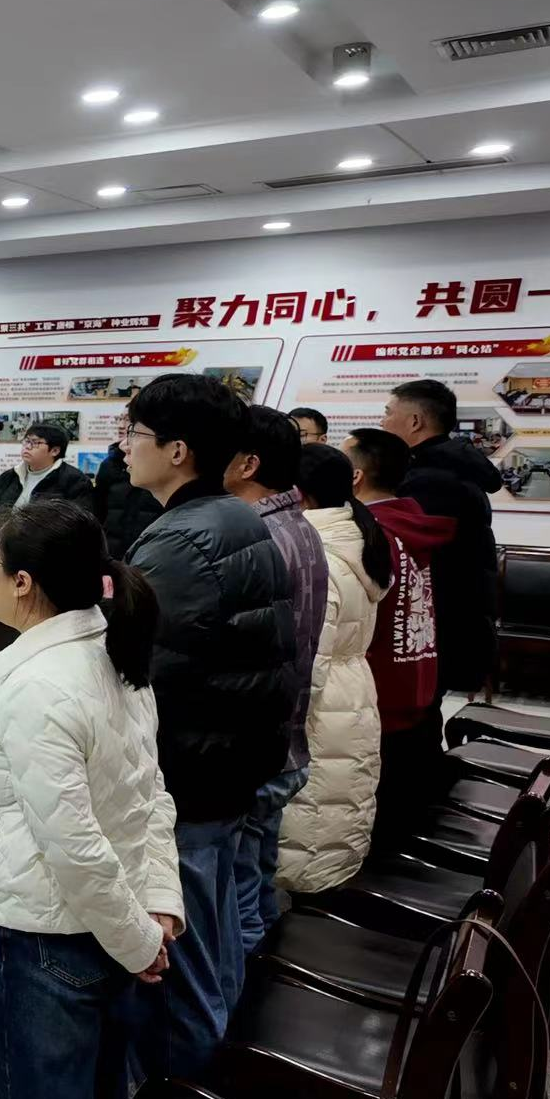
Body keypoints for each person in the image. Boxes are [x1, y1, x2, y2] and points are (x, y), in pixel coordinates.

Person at [0, 500, 181, 1099]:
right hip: (110, 920)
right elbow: (151, 794)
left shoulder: (40, 686)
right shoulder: (113, 652)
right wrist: (157, 905)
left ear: (23, 582)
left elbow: (73, 844)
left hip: (45, 940)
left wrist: (139, 940)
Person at [118, 372, 293, 1080]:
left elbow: (139, 674)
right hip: (227, 763)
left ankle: (185, 1091)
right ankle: (211, 1067)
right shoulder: (234, 517)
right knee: (215, 937)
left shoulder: (182, 542)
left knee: (181, 953)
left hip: (189, 774)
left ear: (178, 450)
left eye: (134, 433)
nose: (124, 447)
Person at [221, 405, 325, 963]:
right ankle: (261, 983)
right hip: (282, 744)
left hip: (251, 753)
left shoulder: (257, 536)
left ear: (248, 464)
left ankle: (249, 1004)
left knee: (234, 906)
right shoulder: (298, 525)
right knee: (256, 885)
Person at [276, 444, 392, 894]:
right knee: (338, 807)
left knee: (313, 821)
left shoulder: (317, 553)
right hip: (353, 693)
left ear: (297, 493)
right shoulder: (358, 536)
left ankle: (302, 921)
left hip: (323, 706)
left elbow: (310, 665)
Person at [343, 428, 454, 851]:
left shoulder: (372, 532)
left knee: (379, 813)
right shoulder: (410, 522)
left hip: (380, 684)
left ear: (355, 476)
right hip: (413, 672)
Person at [380, 379, 500, 697]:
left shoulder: (430, 481)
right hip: (450, 621)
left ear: (415, 421)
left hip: (439, 624)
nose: (382, 422)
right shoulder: (451, 469)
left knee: (418, 708)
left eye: (388, 413)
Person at [0, 422, 93, 559]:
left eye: (35, 443)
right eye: (26, 441)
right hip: (0, 556)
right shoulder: (8, 478)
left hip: (45, 559)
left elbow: (77, 527)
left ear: (55, 451)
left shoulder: (75, 481)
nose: (27, 447)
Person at [92, 409, 162, 559]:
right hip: (112, 555)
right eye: (120, 419)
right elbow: (98, 511)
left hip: (151, 554)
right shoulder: (110, 463)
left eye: (129, 420)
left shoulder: (161, 464)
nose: (121, 425)